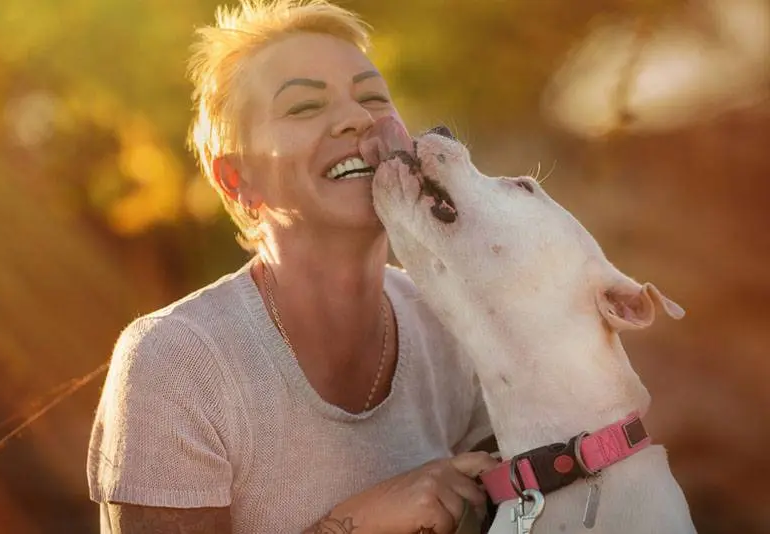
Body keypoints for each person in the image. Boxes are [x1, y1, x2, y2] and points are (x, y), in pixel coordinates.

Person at [86, 1, 497, 532]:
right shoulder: (177, 363)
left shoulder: (451, 322)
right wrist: (355, 522)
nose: (357, 118)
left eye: (372, 98)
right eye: (304, 107)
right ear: (236, 178)